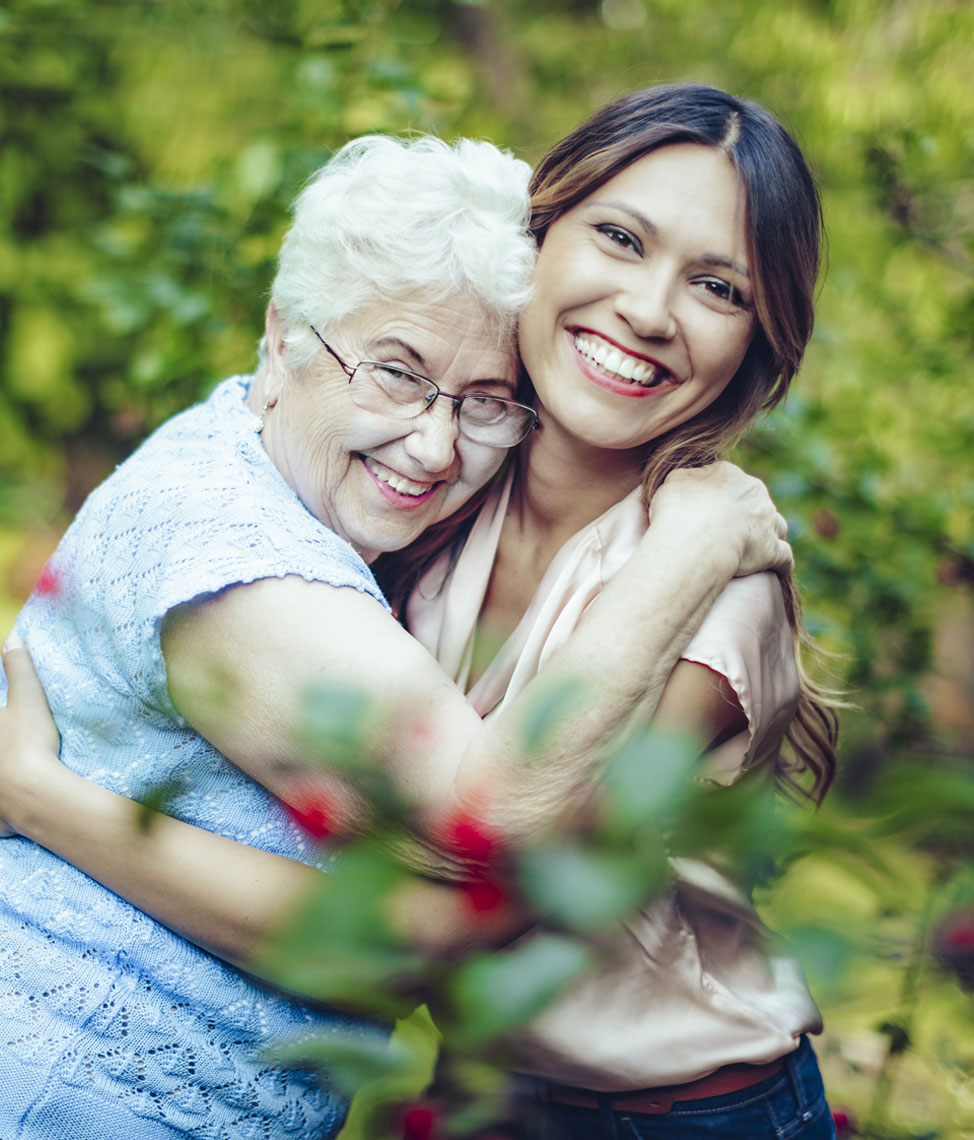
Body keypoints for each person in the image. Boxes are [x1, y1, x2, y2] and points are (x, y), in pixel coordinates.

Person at [0, 117, 794, 1140]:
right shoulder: (243, 542)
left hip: (677, 1110)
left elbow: (438, 925)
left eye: (483, 400)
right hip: (76, 1085)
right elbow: (467, 847)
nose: (431, 443)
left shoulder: (437, 521)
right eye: (395, 371)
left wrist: (42, 795)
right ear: (284, 333)